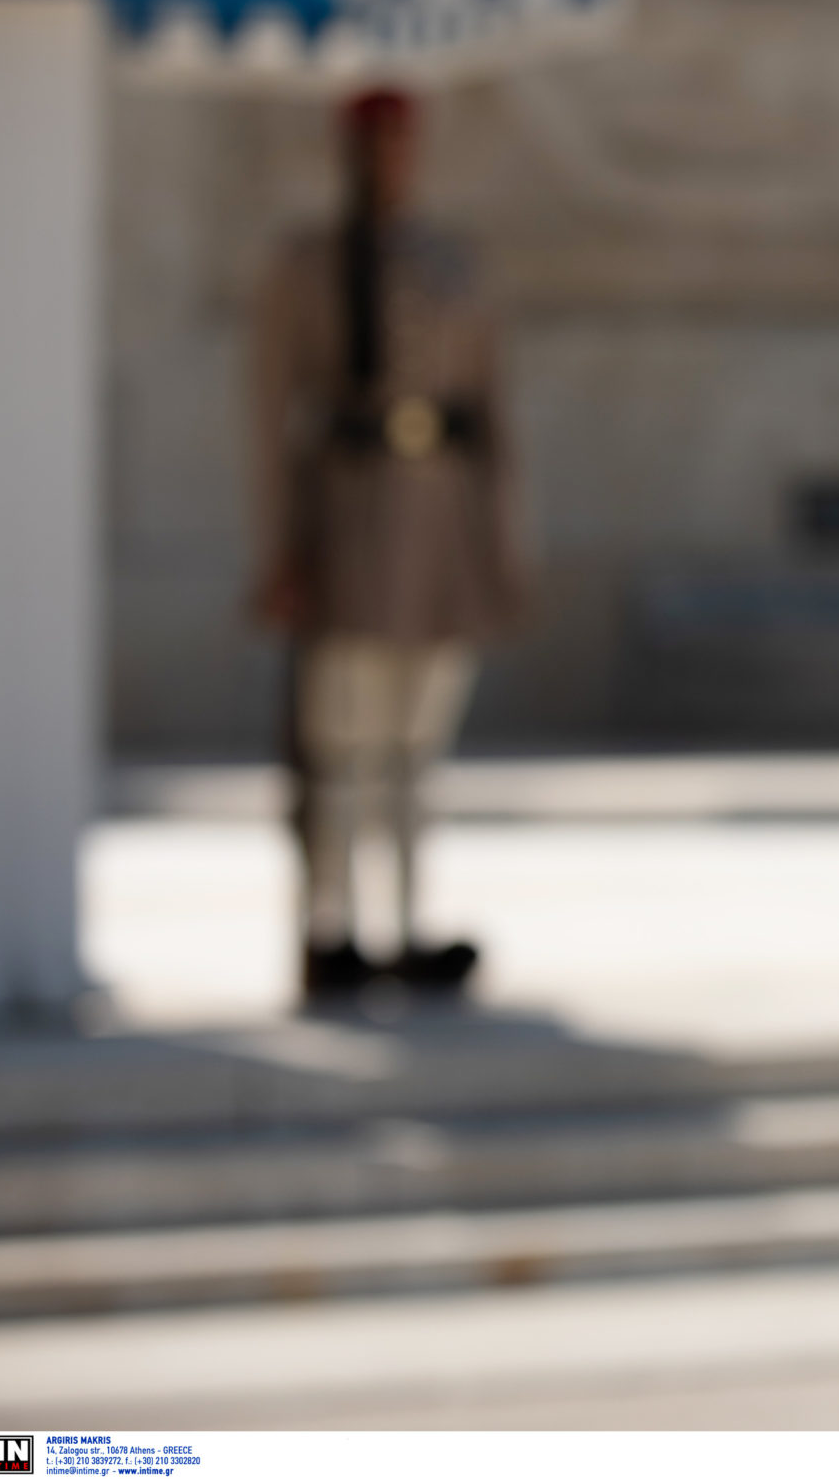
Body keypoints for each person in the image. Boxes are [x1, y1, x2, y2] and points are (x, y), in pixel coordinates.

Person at [247, 88, 529, 1002]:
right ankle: (331, 928)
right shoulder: (310, 266)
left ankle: (406, 925)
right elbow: (267, 418)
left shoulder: (451, 265)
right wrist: (279, 550)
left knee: (414, 745)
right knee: (339, 744)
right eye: (375, 145)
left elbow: (493, 419)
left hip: (436, 529)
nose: (390, 163)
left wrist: (500, 552)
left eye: (402, 144)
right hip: (350, 526)